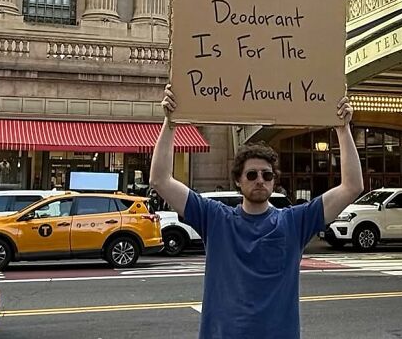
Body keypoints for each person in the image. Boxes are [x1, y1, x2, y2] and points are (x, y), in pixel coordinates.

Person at [150, 84, 364, 339]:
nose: (260, 180)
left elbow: (353, 186)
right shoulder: (216, 218)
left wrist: (342, 128)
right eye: (251, 174)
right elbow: (160, 180)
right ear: (238, 181)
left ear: (274, 181)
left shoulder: (295, 222)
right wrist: (170, 123)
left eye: (267, 175)